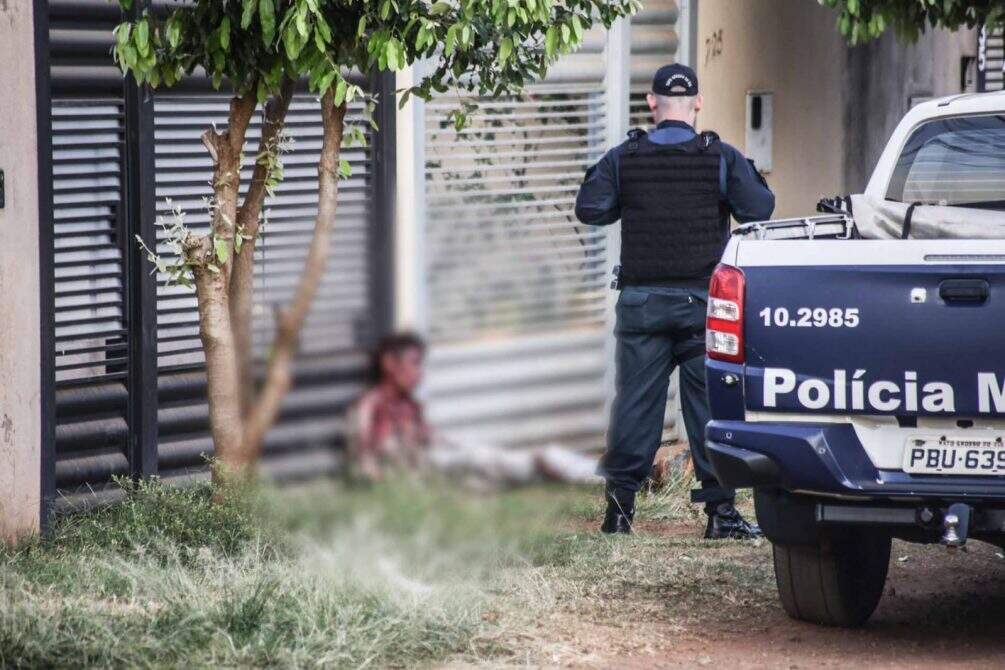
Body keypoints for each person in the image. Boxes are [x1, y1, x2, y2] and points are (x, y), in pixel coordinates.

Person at [575, 64, 775, 538]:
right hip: (703, 306)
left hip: (643, 305)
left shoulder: (625, 157)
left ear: (651, 102)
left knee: (634, 407)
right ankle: (720, 516)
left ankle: (619, 514)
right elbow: (760, 209)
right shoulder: (719, 155)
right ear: (698, 103)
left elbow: (590, 209)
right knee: (709, 407)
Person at [348, 333, 602, 488]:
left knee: (493, 457)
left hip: (439, 466)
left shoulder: (408, 405)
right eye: (414, 364)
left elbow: (433, 440)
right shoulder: (370, 406)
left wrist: (455, 446)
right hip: (425, 474)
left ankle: (585, 471)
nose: (419, 373)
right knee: (485, 459)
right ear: (389, 363)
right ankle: (565, 467)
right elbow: (363, 464)